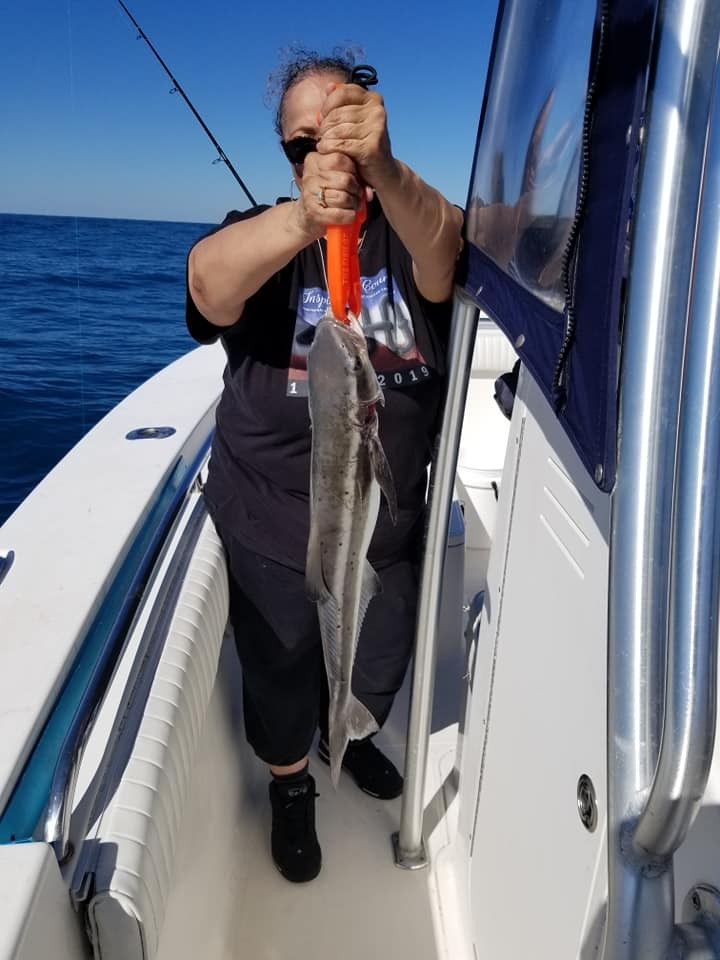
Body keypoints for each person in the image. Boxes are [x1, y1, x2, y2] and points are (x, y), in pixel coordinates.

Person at [185, 49, 463, 883]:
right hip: (271, 517)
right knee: (277, 669)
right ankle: (292, 780)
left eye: (338, 130)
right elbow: (208, 287)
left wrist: (384, 168)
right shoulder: (268, 235)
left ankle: (349, 728)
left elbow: (446, 249)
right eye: (300, 144)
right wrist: (304, 221)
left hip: (384, 515)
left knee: (377, 655)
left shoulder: (407, 226)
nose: (321, 153)